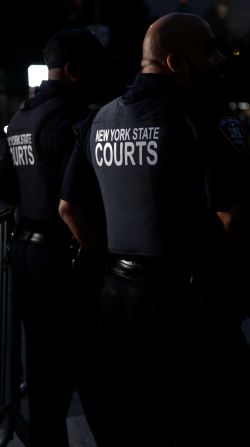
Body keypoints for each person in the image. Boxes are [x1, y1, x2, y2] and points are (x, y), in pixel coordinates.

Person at [59, 13, 250, 446]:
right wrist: (243, 291)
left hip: (117, 307)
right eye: (209, 50)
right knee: (227, 423)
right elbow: (235, 217)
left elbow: (69, 208)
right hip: (190, 312)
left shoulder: (100, 120)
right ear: (176, 62)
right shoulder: (201, 116)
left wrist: (111, 263)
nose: (218, 59)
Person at [3, 28, 111, 446]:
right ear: (72, 71)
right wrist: (101, 257)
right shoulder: (72, 122)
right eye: (94, 68)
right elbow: (79, 202)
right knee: (97, 379)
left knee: (46, 386)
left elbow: (7, 188)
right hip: (68, 263)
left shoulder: (20, 118)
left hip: (27, 257)